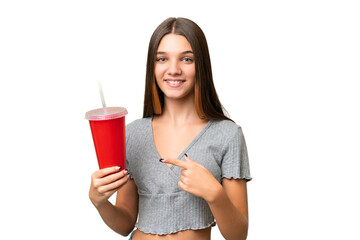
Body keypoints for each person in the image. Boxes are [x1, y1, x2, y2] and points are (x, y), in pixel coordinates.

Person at [89, 17, 252, 240]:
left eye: (186, 59)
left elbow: (238, 235)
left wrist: (215, 194)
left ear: (201, 65)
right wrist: (100, 202)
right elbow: (125, 223)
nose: (173, 69)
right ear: (152, 66)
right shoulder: (132, 135)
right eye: (162, 59)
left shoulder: (227, 135)